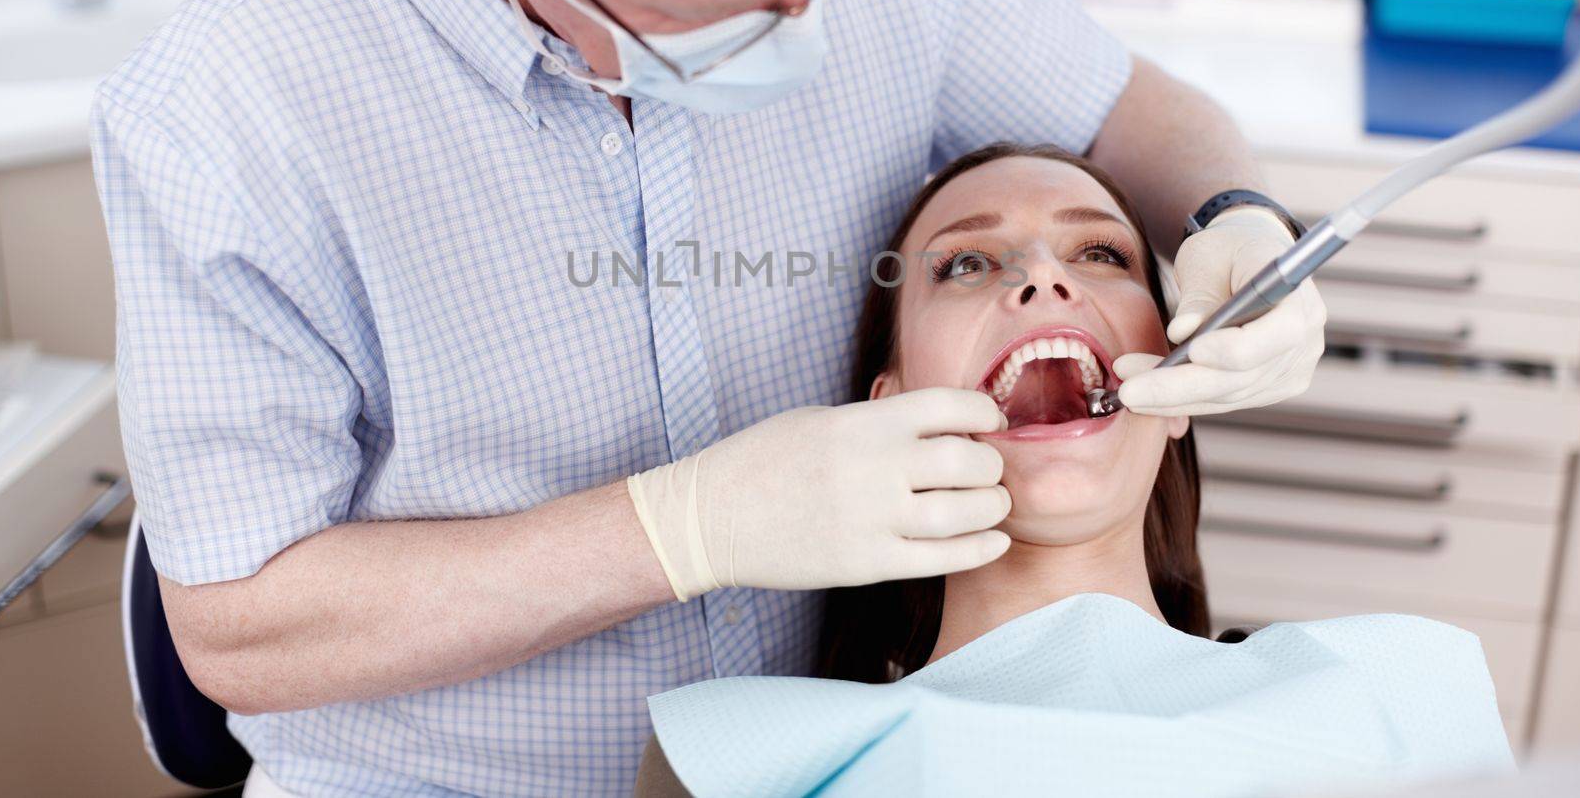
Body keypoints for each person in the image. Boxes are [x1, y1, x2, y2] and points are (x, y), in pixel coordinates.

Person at [90, 0, 1326, 794]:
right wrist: (680, 527)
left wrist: (1236, 216)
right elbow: (240, 629)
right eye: (726, 8)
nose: (808, 12)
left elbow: (1143, 121)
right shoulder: (220, 114)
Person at [634, 143, 1512, 798]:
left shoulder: (1399, 681)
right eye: (966, 263)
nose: (1044, 278)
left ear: (1182, 388)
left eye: (1101, 254)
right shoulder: (731, 752)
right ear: (885, 409)